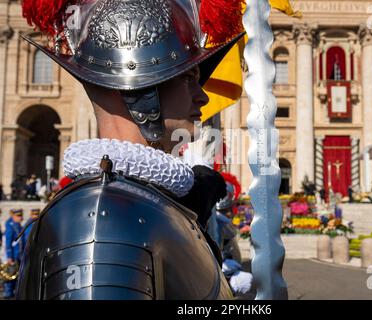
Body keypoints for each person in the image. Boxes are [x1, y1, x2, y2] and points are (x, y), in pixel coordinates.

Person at [18, 0, 245, 300]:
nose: (202, 97)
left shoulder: (154, 201)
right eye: (188, 79)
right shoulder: (102, 220)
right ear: (141, 94)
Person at [3, 209, 24, 299]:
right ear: (14, 217)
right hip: (13, 254)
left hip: (18, 254)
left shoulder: (18, 225)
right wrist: (9, 256)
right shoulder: (11, 226)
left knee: (16, 274)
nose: (21, 218)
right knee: (10, 274)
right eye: (18, 216)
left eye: (21, 216)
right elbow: (8, 242)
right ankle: (8, 293)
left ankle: (14, 292)